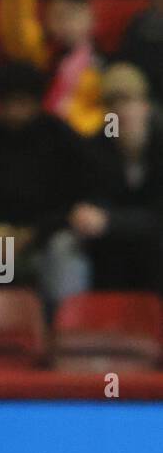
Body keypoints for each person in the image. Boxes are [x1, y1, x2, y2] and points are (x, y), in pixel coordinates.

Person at [0, 61, 97, 311]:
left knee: (65, 250)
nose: (14, 112)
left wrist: (32, 234)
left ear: (36, 103)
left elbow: (76, 197)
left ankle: (64, 327)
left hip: (46, 236)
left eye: (22, 104)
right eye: (7, 105)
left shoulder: (61, 137)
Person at [70, 62, 163, 292]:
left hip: (152, 243)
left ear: (145, 106)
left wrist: (112, 222)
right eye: (113, 104)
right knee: (72, 248)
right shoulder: (97, 147)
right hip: (112, 248)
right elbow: (94, 200)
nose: (122, 111)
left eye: (129, 101)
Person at [0, 0, 104, 136]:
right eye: (58, 16)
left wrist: (76, 128)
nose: (67, 23)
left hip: (83, 142)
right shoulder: (41, 55)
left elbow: (108, 111)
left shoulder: (104, 62)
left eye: (73, 16)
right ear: (48, 21)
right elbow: (17, 28)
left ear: (92, 20)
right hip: (41, 140)